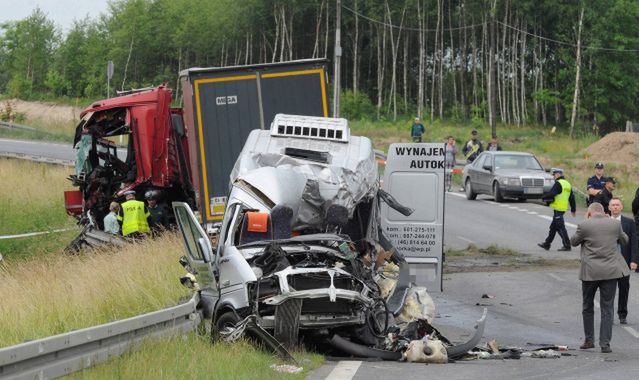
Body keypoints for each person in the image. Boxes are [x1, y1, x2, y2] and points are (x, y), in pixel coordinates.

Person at [570, 202, 629, 353]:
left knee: (587, 306)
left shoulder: (584, 225)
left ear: (589, 213)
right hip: (611, 271)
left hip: (590, 272)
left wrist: (586, 223)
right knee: (607, 308)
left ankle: (589, 340)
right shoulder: (614, 224)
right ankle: (605, 344)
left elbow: (573, 242)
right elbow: (625, 240)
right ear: (604, 212)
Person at [608, 198, 638, 324]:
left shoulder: (629, 222)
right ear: (609, 207)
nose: (615, 207)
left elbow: (634, 242)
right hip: (608, 262)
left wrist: (634, 260)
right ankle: (608, 315)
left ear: (621, 207)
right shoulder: (605, 221)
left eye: (617, 205)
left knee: (624, 288)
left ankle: (622, 314)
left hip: (624, 262)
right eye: (613, 205)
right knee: (608, 290)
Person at [538, 168, 576, 251]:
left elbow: (552, 193)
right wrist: (573, 209)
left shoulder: (558, 183)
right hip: (562, 208)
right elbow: (572, 198)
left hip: (558, 208)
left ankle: (567, 245)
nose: (553, 177)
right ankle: (547, 244)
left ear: (558, 174)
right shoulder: (567, 183)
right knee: (553, 227)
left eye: (554, 175)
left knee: (560, 227)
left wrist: (543, 196)